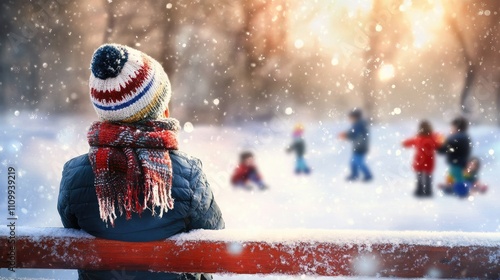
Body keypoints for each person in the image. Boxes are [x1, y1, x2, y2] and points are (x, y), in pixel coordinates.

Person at [57, 44, 224, 280]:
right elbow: (214, 242)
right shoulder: (188, 173)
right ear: (161, 112)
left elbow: (72, 232)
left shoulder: (74, 174)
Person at [402, 120, 442, 197]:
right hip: (429, 160)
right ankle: (428, 191)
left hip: (419, 160)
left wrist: (404, 143)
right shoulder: (433, 138)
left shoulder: (418, 138)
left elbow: (408, 142)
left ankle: (419, 191)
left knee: (419, 176)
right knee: (428, 177)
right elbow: (438, 145)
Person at [338, 108, 373, 182]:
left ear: (355, 117)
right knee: (353, 162)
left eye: (351, 117)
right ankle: (354, 175)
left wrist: (345, 135)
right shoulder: (359, 124)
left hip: (360, 146)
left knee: (358, 162)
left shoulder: (359, 124)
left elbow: (353, 133)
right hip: (358, 146)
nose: (350, 119)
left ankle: (368, 175)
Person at [437, 117, 472, 189]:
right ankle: (451, 186)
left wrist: (439, 145)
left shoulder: (456, 138)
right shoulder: (464, 137)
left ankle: (461, 189)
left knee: (457, 176)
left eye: (452, 127)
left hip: (457, 163)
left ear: (456, 127)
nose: (451, 129)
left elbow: (445, 149)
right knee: (453, 175)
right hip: (460, 162)